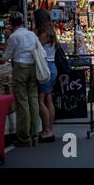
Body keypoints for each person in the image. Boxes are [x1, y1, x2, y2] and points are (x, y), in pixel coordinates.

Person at [2, 12, 45, 147]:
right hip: (33, 67)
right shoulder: (31, 34)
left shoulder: (14, 37)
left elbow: (6, 57)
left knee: (22, 101)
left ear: (11, 23)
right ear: (22, 22)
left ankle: (24, 137)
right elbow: (42, 52)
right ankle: (35, 134)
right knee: (33, 99)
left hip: (20, 68)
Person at [33, 9, 58, 143]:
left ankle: (47, 130)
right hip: (52, 66)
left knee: (41, 100)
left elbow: (36, 48)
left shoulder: (42, 33)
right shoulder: (51, 31)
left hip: (45, 67)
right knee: (48, 98)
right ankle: (49, 129)